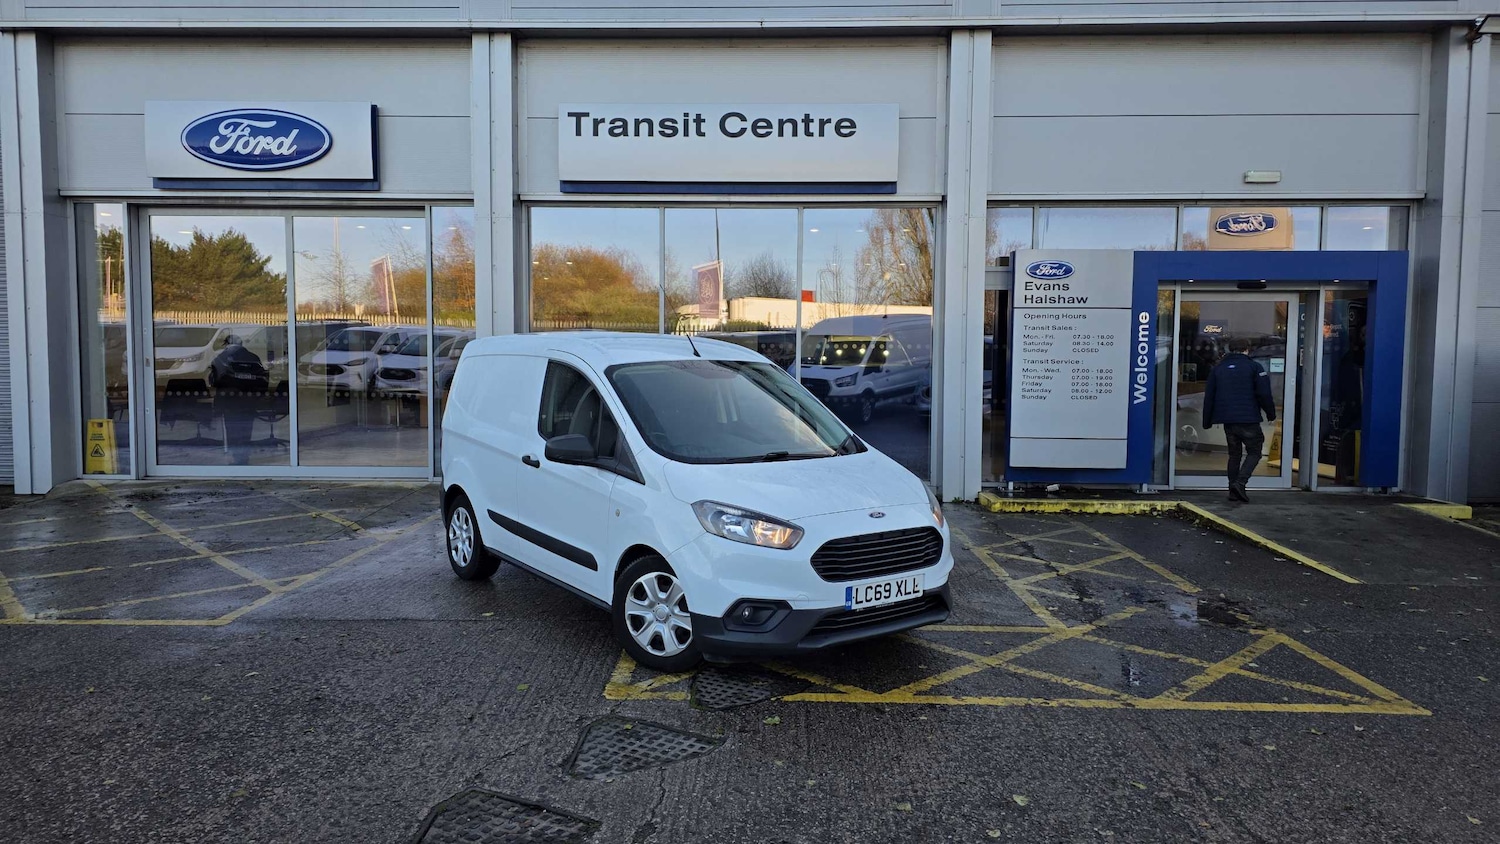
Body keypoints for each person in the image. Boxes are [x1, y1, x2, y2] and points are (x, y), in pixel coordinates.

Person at [1202, 336, 1276, 502]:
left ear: (1230, 349)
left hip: (1229, 421)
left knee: (1234, 455)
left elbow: (1210, 397)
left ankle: (1232, 490)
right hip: (1248, 419)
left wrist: (1206, 421)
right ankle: (1240, 484)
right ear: (1247, 349)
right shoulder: (1254, 367)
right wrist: (1271, 413)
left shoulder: (1218, 369)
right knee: (1255, 452)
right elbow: (1264, 393)